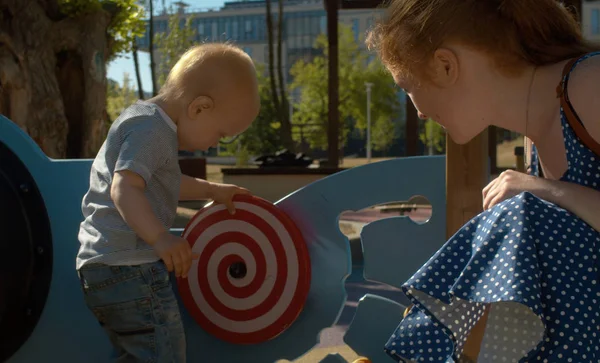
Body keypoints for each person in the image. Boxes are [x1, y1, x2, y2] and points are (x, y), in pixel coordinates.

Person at [360, 0, 600, 362]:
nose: (418, 111)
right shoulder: (536, 134)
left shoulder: (590, 84)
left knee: (518, 212)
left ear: (446, 65)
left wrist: (544, 190)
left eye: (405, 85)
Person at [76, 43, 260, 362]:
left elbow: (161, 184)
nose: (216, 143)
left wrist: (211, 190)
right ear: (199, 108)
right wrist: (159, 238)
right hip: (129, 268)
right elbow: (125, 189)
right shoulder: (153, 131)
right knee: (164, 353)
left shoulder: (144, 121)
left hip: (107, 268)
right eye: (220, 134)